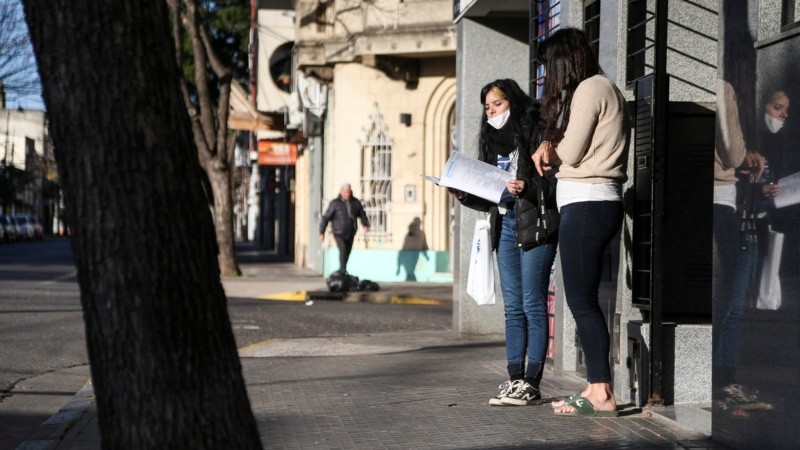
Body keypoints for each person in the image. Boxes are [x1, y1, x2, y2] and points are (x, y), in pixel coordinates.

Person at [531, 28, 628, 417]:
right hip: (590, 204)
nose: (547, 76)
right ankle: (595, 387)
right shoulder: (602, 87)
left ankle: (601, 392)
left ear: (562, 61)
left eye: (548, 66)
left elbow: (570, 151)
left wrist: (550, 149)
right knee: (584, 299)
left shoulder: (591, 88)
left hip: (589, 204)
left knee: (583, 301)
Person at [451, 78, 558, 406]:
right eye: (486, 107)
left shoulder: (536, 130)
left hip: (534, 224)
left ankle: (533, 383)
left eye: (496, 104)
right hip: (505, 225)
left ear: (511, 101)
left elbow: (553, 185)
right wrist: (463, 194)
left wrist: (526, 187)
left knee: (532, 303)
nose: (491, 112)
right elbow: (488, 198)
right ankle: (515, 380)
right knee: (513, 308)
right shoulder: (490, 140)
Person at [319, 183, 370, 273]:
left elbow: (362, 214)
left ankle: (343, 269)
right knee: (343, 250)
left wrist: (365, 224)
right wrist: (321, 232)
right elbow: (325, 217)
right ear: (341, 192)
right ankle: (343, 271)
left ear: (351, 192)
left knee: (348, 251)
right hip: (338, 232)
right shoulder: (335, 203)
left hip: (351, 232)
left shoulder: (355, 202)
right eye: (345, 192)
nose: (347, 194)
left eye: (348, 192)